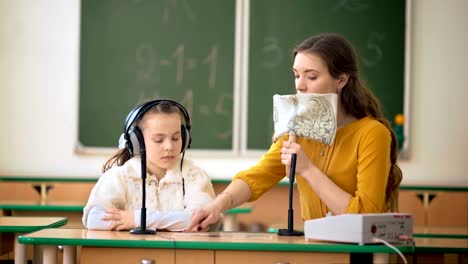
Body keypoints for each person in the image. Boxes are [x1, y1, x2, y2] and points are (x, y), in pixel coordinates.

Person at [187, 33, 403, 232]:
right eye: (296, 75)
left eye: (311, 77)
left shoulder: (373, 134)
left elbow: (366, 215)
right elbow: (257, 177)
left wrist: (308, 169)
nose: (300, 86)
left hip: (357, 252)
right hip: (315, 247)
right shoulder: (297, 130)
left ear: (341, 80)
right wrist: (217, 206)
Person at [83, 99, 216, 231]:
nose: (169, 146)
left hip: (180, 252)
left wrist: (138, 219)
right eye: (158, 140)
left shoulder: (194, 176)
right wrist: (173, 220)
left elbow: (200, 220)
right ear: (137, 142)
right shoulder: (120, 176)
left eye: (176, 138)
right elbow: (94, 219)